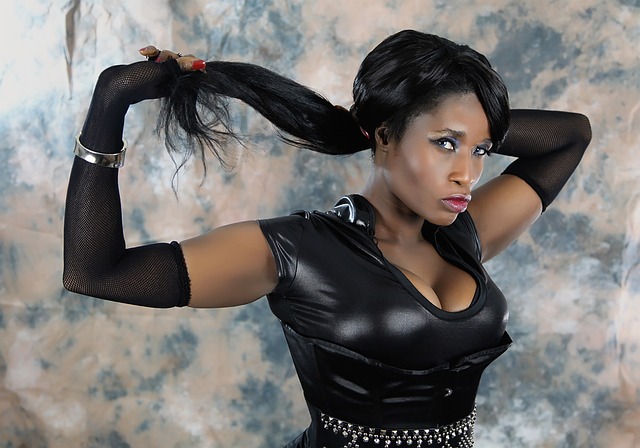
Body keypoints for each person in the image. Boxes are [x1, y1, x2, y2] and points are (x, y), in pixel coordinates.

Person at [63, 30, 592, 447]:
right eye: (445, 144)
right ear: (384, 136)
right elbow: (95, 273)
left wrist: (468, 124)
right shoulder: (299, 251)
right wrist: (110, 104)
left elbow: (570, 135)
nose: (468, 175)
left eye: (481, 151)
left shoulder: (464, 237)